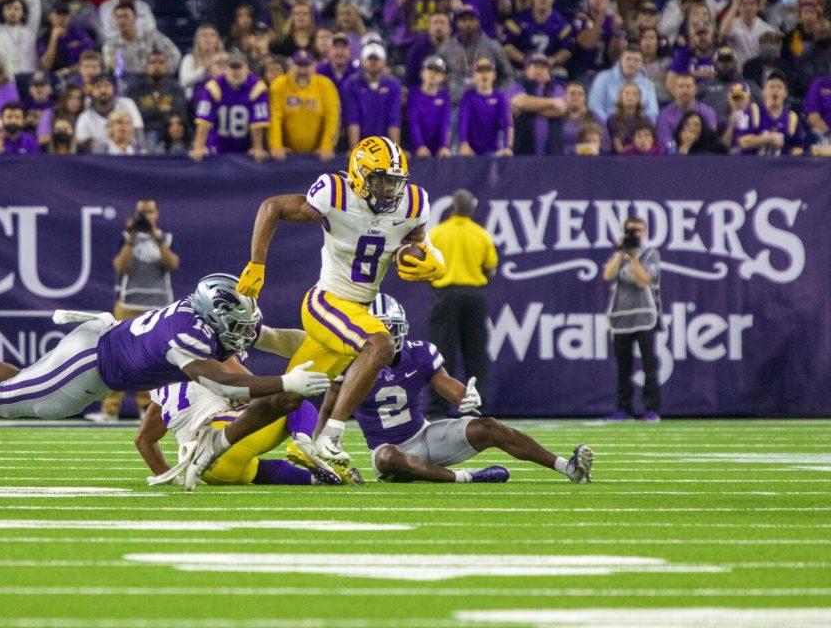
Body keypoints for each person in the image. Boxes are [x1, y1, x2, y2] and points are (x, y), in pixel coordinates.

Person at [0, 274, 330, 492]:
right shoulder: (187, 338)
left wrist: (327, 346)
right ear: (215, 317)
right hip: (90, 367)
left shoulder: (207, 320)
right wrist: (290, 379)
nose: (244, 333)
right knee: (14, 399)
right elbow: (229, 387)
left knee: (23, 382)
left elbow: (275, 338)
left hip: (102, 347)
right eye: (236, 325)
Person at [234, 136, 445, 478]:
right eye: (380, 180)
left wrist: (434, 259)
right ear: (359, 176)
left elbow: (419, 242)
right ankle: (332, 434)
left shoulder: (414, 202)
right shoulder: (334, 193)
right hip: (327, 301)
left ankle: (223, 444)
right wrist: (257, 263)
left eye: (395, 181)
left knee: (289, 396)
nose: (390, 190)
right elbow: (272, 206)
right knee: (380, 344)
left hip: (358, 311)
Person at [355, 295, 592, 484]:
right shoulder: (349, 361)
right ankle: (468, 477)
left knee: (488, 426)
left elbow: (445, 383)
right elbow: (334, 409)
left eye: (391, 329)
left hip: (425, 436)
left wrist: (465, 397)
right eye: (381, 331)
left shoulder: (418, 353)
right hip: (387, 450)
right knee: (387, 458)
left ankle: (567, 468)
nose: (388, 337)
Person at [136, 376, 340, 485]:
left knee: (254, 469)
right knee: (292, 399)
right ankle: (303, 441)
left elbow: (144, 439)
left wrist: (167, 476)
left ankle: (313, 479)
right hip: (222, 439)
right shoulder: (211, 360)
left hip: (205, 470)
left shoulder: (161, 389)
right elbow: (261, 395)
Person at [88, 200, 182, 423]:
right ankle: (110, 410)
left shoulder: (165, 238)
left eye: (150, 211)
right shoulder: (126, 237)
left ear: (156, 214)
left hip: (158, 305)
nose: (146, 216)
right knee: (116, 357)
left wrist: (155, 236)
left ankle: (148, 410)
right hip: (129, 304)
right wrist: (131, 239)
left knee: (152, 359)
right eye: (142, 212)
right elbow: (121, 266)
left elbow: (172, 264)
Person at [424, 189, 497, 415]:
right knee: (475, 353)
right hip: (474, 295)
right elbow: (491, 268)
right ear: (472, 209)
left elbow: (426, 265)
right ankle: (477, 406)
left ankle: (438, 408)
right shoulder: (481, 234)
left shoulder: (437, 233)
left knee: (442, 354)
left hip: (446, 295)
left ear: (452, 207)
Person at [602, 216, 662, 421]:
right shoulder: (619, 255)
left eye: (638, 231)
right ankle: (623, 408)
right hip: (621, 317)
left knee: (648, 365)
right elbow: (608, 275)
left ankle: (651, 409)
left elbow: (643, 281)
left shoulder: (651, 254)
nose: (634, 235)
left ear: (644, 232)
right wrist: (621, 253)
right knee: (623, 366)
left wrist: (634, 257)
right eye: (630, 231)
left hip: (644, 315)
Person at [191, 52, 270, 160]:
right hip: (218, 146)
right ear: (226, 69)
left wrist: (258, 147)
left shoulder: (257, 87)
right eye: (232, 67)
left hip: (246, 148)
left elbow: (258, 122)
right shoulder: (213, 87)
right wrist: (199, 147)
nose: (236, 71)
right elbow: (204, 120)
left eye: (239, 67)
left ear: (247, 68)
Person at [267, 50, 339, 162]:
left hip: (317, 154)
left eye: (306, 66)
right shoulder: (279, 85)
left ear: (314, 66)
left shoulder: (326, 85)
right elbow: (274, 118)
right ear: (291, 66)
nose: (302, 70)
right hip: (287, 154)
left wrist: (327, 146)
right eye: (299, 65)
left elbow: (332, 118)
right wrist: (276, 146)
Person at [440, 6, 514, 98]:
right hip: (456, 103)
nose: (467, 23)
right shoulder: (446, 48)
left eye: (471, 19)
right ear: (457, 23)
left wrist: (499, 95)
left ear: (478, 22)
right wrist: (446, 96)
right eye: (463, 20)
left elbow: (509, 75)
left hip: (488, 101)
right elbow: (437, 75)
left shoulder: (493, 46)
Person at [503, 0, 573, 71]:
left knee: (562, 73)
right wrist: (524, 59)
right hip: (522, 69)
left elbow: (567, 50)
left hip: (550, 69)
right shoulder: (519, 20)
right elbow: (508, 46)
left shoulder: (561, 23)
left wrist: (553, 60)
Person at [341, 43, 401, 146]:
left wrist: (395, 151)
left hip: (384, 144)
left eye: (377, 59)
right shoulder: (352, 84)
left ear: (384, 62)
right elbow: (353, 119)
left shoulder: (393, 85)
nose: (373, 62)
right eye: (370, 59)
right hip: (361, 144)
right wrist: (355, 150)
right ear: (363, 61)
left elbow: (394, 119)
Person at [126, 50, 188, 147]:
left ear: (167, 67)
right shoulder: (135, 89)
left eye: (161, 62)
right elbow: (134, 115)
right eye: (153, 62)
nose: (157, 66)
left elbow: (179, 112)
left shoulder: (176, 88)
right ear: (146, 67)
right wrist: (159, 109)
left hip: (169, 132)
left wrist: (150, 111)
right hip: (144, 131)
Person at [732, 72, 804, 156]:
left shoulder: (792, 118)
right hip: (752, 166)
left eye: (779, 87)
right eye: (771, 86)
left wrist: (788, 156)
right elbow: (743, 141)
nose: (775, 90)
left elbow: (798, 148)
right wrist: (768, 138)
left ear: (785, 93)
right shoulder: (752, 112)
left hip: (780, 167)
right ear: (764, 91)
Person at [102, 3, 181, 77]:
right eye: (118, 17)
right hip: (126, 85)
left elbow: (175, 54)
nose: (122, 21)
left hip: (151, 81)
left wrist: (163, 71)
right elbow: (111, 69)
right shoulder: (111, 44)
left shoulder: (151, 36)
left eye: (126, 16)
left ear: (135, 17)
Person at [511, 53, 567, 156]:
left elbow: (560, 109)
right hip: (523, 148)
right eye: (535, 66)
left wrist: (527, 108)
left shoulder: (556, 86)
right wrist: (552, 102)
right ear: (527, 69)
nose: (539, 70)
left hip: (552, 150)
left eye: (543, 67)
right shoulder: (518, 83)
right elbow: (518, 102)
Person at [75, 73, 146, 152]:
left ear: (113, 89)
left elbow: (139, 133)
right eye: (98, 87)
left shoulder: (126, 104)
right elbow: (81, 144)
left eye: (107, 86)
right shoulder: (85, 117)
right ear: (92, 91)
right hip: (99, 159)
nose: (103, 90)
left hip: (128, 155)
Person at [0, 0, 43, 76]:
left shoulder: (30, 29)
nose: (12, 12)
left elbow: (35, 0)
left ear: (23, 12)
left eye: (16, 9)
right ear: (3, 12)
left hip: (30, 75)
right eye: (8, 8)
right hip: (7, 77)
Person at [457, 59, 513, 156]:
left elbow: (507, 124)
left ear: (494, 75)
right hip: (471, 152)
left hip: (494, 151)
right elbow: (463, 122)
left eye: (487, 70)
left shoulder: (500, 97)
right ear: (474, 76)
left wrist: (508, 147)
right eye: (480, 71)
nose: (484, 74)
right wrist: (464, 144)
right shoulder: (468, 97)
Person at [589, 46, 659, 122]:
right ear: (620, 60)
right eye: (628, 59)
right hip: (606, 126)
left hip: (638, 128)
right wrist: (609, 125)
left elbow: (653, 113)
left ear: (642, 64)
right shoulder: (603, 78)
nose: (632, 63)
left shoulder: (649, 84)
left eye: (636, 60)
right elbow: (595, 107)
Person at [655, 73, 715, 149]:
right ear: (675, 89)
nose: (684, 90)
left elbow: (711, 140)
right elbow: (666, 144)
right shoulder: (664, 115)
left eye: (688, 86)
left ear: (695, 89)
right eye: (681, 86)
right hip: (674, 158)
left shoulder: (708, 112)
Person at [408, 56, 452, 158]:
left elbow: (445, 123)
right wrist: (420, 146)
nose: (433, 74)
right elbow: (414, 122)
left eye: (437, 71)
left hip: (438, 151)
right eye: (430, 69)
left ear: (443, 77)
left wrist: (444, 146)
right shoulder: (414, 95)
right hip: (416, 151)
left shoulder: (444, 97)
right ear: (422, 73)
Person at [721, 0, 776, 70]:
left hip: (758, 72)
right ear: (739, 7)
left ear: (757, 7)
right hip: (736, 72)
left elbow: (770, 58)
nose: (748, 7)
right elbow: (722, 34)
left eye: (752, 3)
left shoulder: (767, 29)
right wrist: (734, 6)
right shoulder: (732, 24)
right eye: (744, 4)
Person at [179, 24, 224, 98]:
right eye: (204, 35)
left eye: (212, 35)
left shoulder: (224, 60)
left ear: (217, 40)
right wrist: (204, 70)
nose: (208, 38)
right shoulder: (189, 59)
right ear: (198, 40)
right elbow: (184, 81)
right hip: (193, 102)